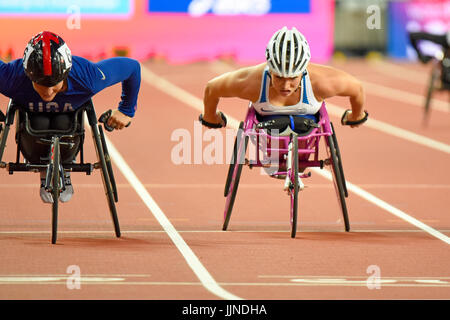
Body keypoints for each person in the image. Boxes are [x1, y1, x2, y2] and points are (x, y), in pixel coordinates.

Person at [199, 26, 368, 187]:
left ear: (303, 71)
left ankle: (293, 161)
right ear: (270, 70)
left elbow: (357, 89)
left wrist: (211, 118)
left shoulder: (321, 82)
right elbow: (212, 88)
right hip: (268, 132)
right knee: (275, 163)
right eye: (279, 77)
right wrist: (355, 117)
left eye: (292, 78)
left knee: (298, 164)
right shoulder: (253, 82)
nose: (286, 86)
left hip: (307, 132)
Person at [0, 31, 141, 203]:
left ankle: (64, 165)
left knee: (62, 121)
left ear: (66, 73)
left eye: (55, 85)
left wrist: (126, 111)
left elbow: (132, 67)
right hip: (30, 133)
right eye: (41, 85)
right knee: (39, 121)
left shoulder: (88, 77)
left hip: (69, 128)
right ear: (28, 75)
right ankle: (45, 171)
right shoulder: (12, 77)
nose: (48, 92)